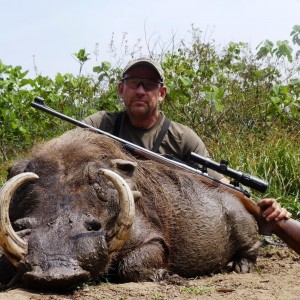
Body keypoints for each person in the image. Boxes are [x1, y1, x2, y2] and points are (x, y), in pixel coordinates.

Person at [83, 57, 291, 222]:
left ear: (162, 93)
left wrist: (259, 209)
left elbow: (219, 183)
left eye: (149, 85)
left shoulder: (182, 137)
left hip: (165, 221)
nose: (140, 91)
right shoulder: (99, 124)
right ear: (121, 89)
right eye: (133, 83)